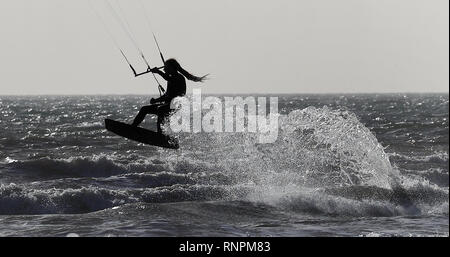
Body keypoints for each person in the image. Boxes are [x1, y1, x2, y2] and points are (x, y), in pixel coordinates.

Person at [131, 58, 207, 133]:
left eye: (166, 67)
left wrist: (158, 72)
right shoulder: (171, 78)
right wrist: (156, 100)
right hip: (168, 104)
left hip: (175, 105)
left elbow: (168, 79)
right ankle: (132, 127)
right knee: (144, 109)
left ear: (171, 68)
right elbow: (167, 95)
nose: (164, 69)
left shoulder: (179, 77)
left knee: (161, 110)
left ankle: (160, 134)